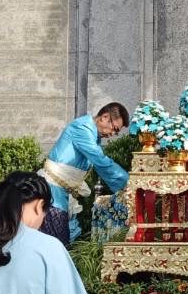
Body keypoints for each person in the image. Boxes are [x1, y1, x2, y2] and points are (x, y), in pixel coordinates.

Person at [41, 103, 130, 246]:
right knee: (57, 245)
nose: (113, 134)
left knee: (63, 243)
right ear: (105, 117)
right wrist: (128, 182)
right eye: (115, 129)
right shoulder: (82, 128)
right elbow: (101, 162)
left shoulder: (92, 134)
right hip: (53, 191)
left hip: (63, 193)